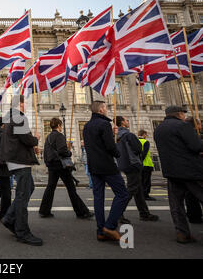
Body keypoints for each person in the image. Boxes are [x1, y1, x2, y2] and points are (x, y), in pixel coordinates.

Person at [154, 106, 203, 244]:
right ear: (180, 114)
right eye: (183, 113)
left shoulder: (159, 128)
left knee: (176, 205)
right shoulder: (183, 126)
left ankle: (182, 233)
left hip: (171, 171)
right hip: (190, 170)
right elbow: (196, 146)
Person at [83, 101, 129, 242]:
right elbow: (110, 147)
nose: (107, 110)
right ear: (101, 110)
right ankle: (109, 226)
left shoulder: (86, 126)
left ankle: (100, 231)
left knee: (98, 198)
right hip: (107, 165)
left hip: (93, 166)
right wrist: (117, 152)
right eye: (106, 107)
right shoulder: (104, 125)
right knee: (122, 194)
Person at [0, 95, 43, 246]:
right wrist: (36, 138)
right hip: (20, 161)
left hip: (16, 160)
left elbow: (18, 139)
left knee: (29, 188)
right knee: (22, 196)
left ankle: (9, 218)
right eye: (26, 103)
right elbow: (27, 139)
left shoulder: (10, 117)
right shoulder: (18, 117)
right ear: (21, 104)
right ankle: (22, 232)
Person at [39, 118, 94, 219]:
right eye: (60, 125)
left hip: (52, 165)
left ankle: (44, 211)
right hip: (60, 165)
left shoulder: (49, 137)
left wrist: (48, 164)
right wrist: (69, 152)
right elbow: (62, 151)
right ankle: (82, 212)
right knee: (71, 188)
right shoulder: (60, 136)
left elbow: (46, 153)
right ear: (59, 126)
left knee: (50, 187)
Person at [116, 116, 159, 223]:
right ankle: (117, 213)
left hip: (124, 164)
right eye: (126, 120)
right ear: (122, 123)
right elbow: (138, 149)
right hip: (133, 164)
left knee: (138, 190)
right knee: (130, 190)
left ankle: (144, 213)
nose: (127, 122)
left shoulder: (117, 136)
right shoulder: (128, 135)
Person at [183, 117, 202, 224]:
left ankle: (193, 216)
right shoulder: (191, 134)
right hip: (195, 167)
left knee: (189, 194)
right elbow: (196, 147)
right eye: (200, 124)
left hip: (185, 168)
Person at [138, 130, 155, 201]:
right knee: (147, 181)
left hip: (139, 164)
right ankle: (146, 195)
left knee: (141, 181)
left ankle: (141, 195)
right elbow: (144, 153)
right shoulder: (145, 142)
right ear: (144, 134)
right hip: (146, 164)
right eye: (146, 135)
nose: (146, 136)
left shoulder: (136, 141)